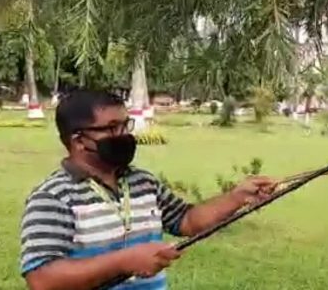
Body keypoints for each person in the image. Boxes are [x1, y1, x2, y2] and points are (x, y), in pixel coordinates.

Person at [19, 90, 278, 290]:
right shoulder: (52, 197)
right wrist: (124, 261)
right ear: (78, 141)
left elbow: (187, 220)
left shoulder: (143, 182)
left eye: (125, 125)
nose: (124, 135)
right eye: (111, 128)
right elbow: (42, 279)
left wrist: (237, 197)